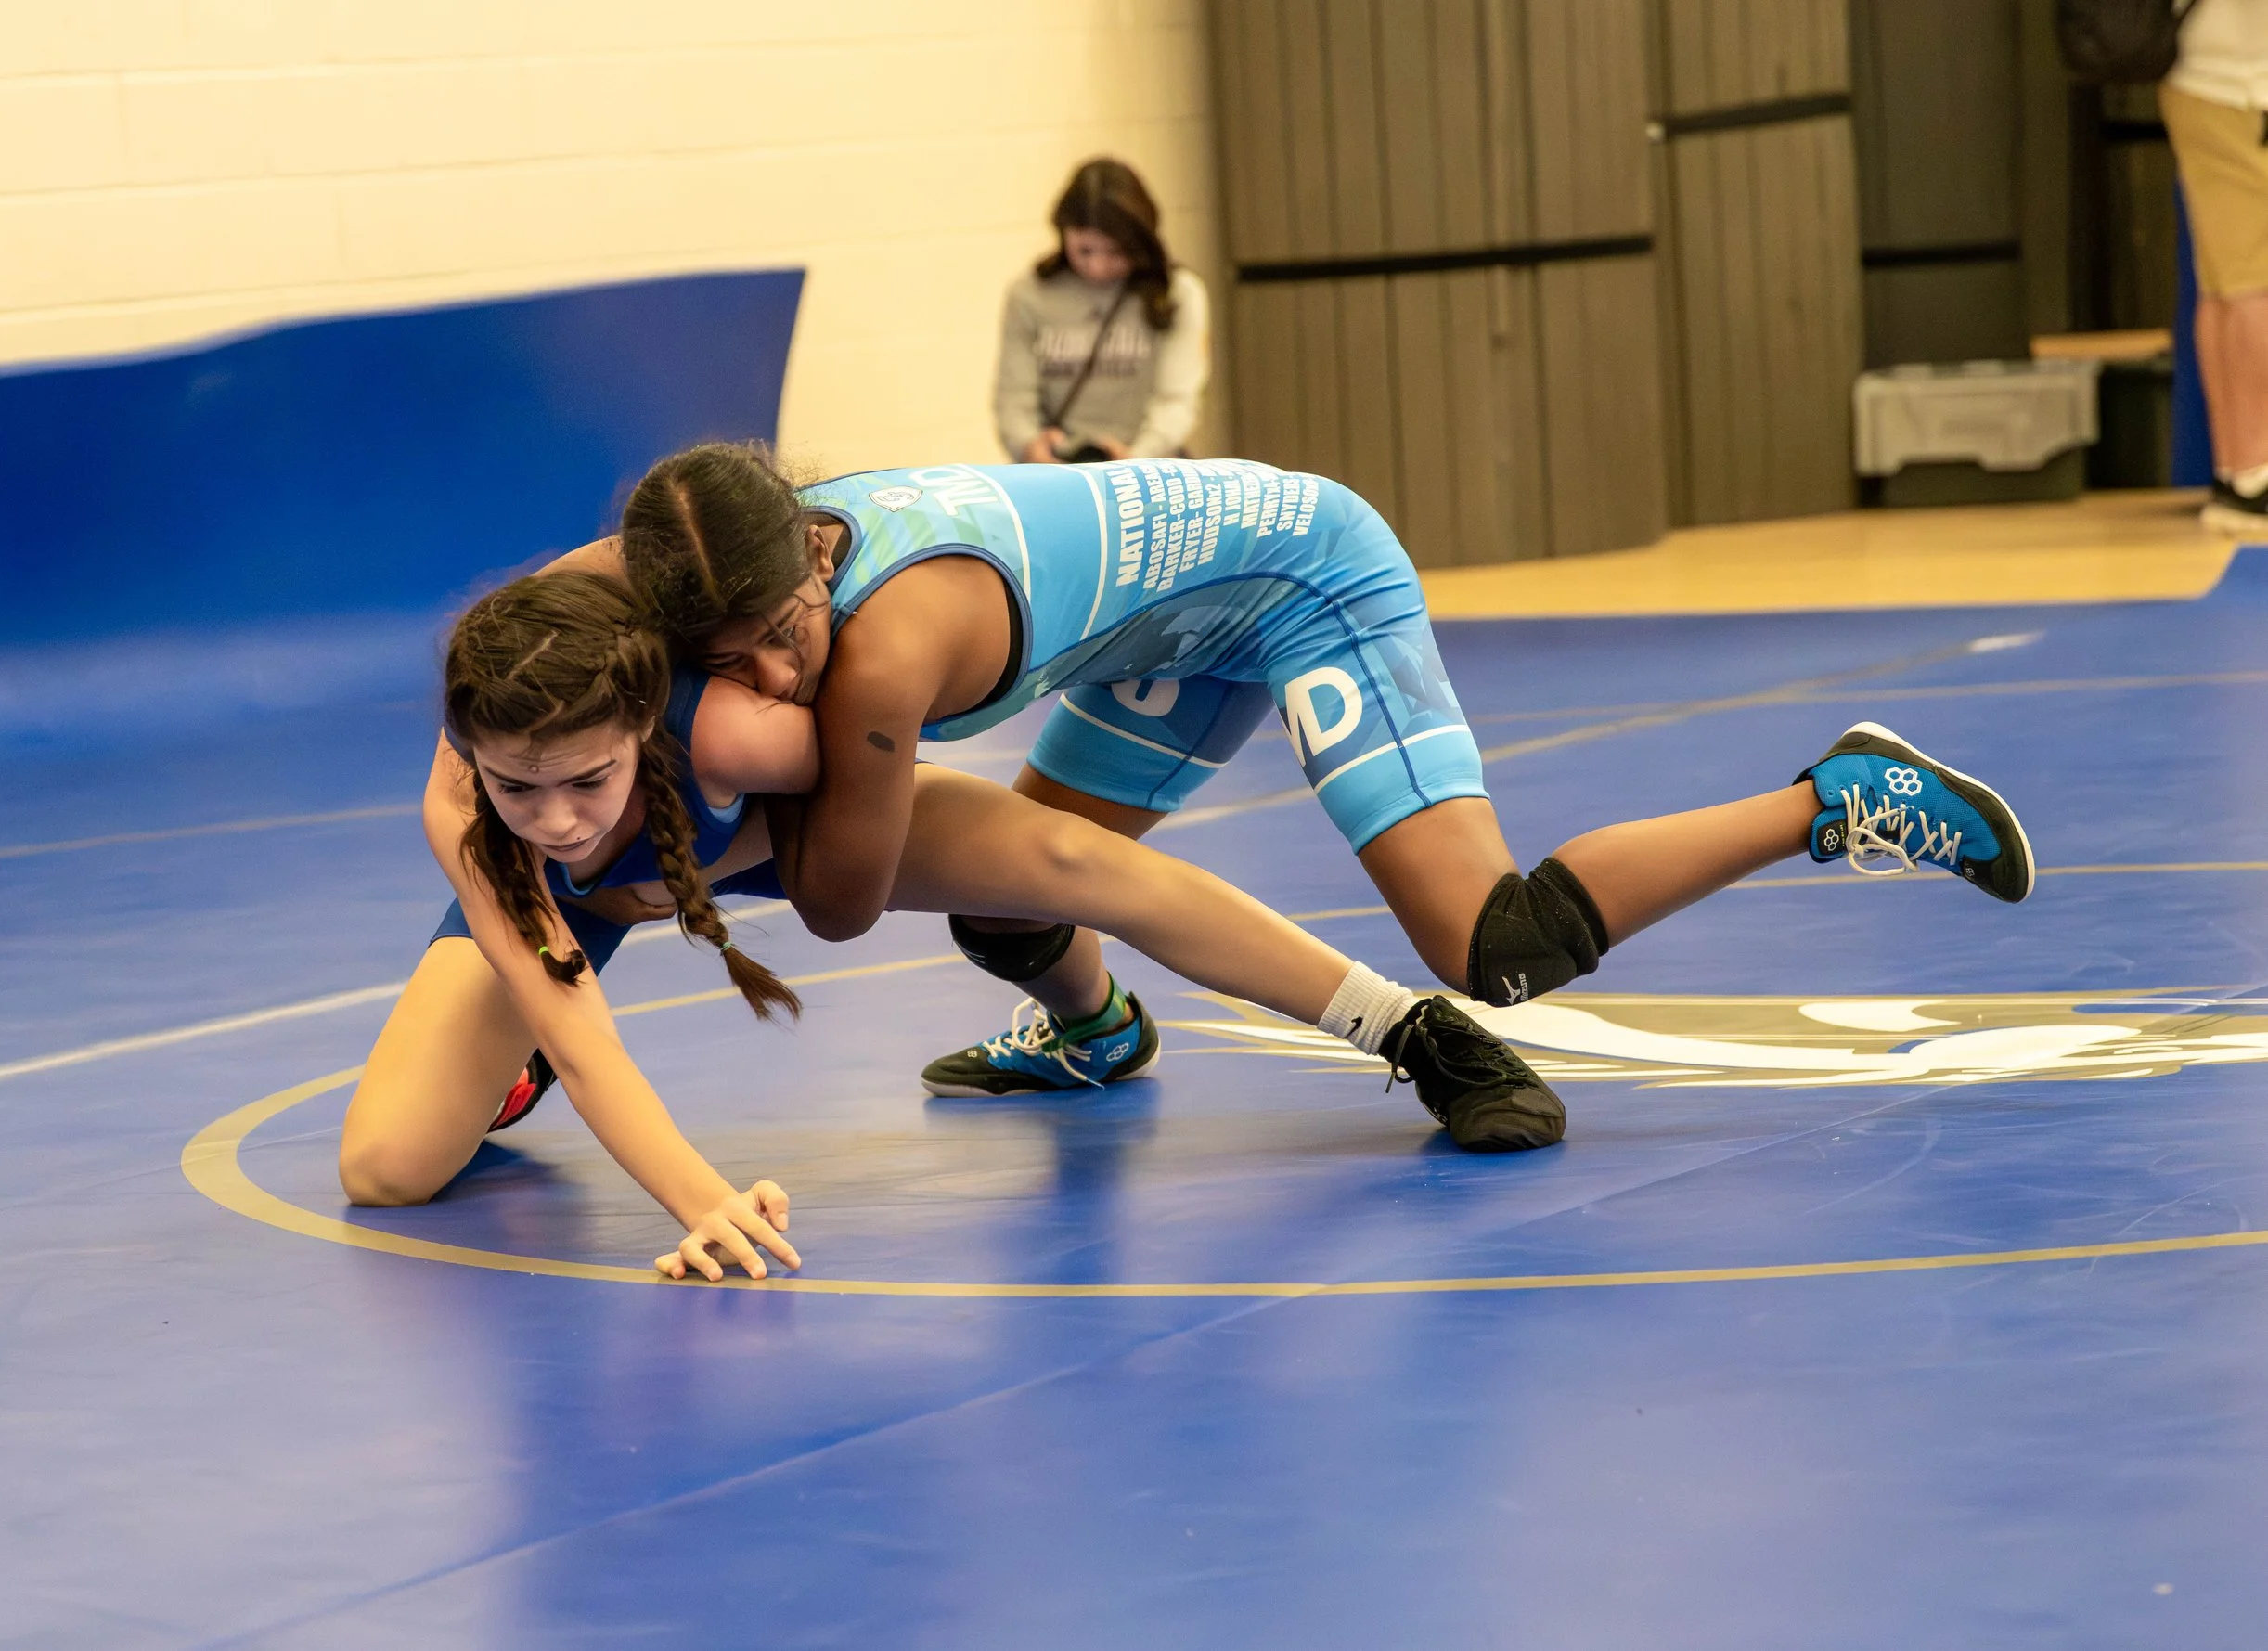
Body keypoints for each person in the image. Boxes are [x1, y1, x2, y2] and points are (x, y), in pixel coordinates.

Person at [615, 443, 2036, 1102]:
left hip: (1301, 579)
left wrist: (744, 737)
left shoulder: (880, 649)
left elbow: (843, 905)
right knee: (1009, 903)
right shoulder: (761, 542)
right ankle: (1095, 1033)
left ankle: (1834, 795)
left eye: (782, 638)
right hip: (1168, 621)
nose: (770, 676)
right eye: (728, 662)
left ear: (817, 553)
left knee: (1497, 946)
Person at [339, 571, 1578, 1284]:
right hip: (576, 922)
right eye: (519, 786)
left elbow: (872, 737)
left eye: (588, 781)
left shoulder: (740, 731)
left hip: (778, 837)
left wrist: (847, 835)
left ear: (639, 726)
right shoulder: (483, 817)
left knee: (1062, 858)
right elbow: (586, 1023)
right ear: (469, 757)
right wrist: (703, 1202)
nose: (553, 816)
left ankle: (1415, 1031)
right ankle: (508, 1073)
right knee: (387, 1167)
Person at [994, 158, 1209, 466]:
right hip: (1059, 470)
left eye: (1116, 252)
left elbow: (1177, 398)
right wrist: (1030, 446)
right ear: (1063, 233)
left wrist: (1137, 457)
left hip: (1147, 465)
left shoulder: (1178, 295)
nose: (1098, 266)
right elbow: (1014, 397)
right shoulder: (1030, 295)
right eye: (1085, 250)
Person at [2161, 0, 2268, 533]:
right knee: (2252, 286)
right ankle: (2254, 474)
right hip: (2236, 89)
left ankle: (2238, 472)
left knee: (2224, 286)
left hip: (2215, 84)